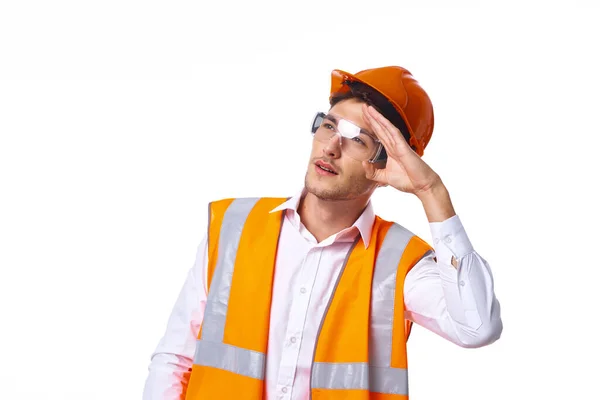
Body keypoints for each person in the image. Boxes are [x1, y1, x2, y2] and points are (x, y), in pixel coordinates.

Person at [142, 66, 503, 400]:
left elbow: (477, 327)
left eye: (357, 140)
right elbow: (174, 360)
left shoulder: (402, 262)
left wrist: (432, 191)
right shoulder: (233, 226)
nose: (331, 147)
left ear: (387, 162)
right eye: (329, 126)